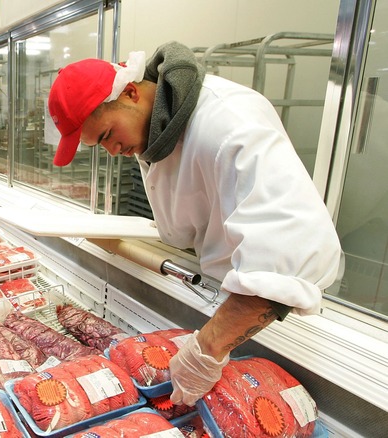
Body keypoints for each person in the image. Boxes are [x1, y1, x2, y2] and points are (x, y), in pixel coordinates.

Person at [47, 42, 342, 406]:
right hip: (226, 296)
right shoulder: (154, 129)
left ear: (131, 92)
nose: (112, 151)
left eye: (107, 135)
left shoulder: (230, 123)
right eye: (99, 145)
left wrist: (206, 350)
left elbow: (286, 261)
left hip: (269, 314)